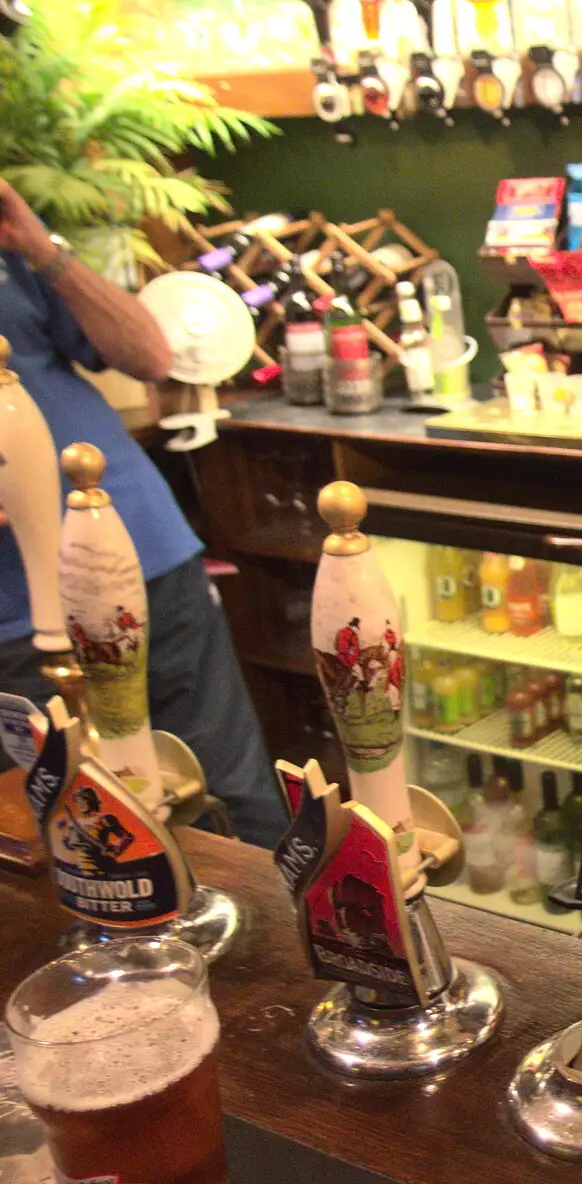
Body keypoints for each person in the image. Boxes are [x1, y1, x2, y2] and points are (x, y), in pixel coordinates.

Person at [0, 180, 287, 848]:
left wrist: (41, 246)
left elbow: (149, 355)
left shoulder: (17, 251)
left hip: (146, 554)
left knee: (230, 791)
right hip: (18, 617)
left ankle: (277, 949)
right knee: (81, 828)